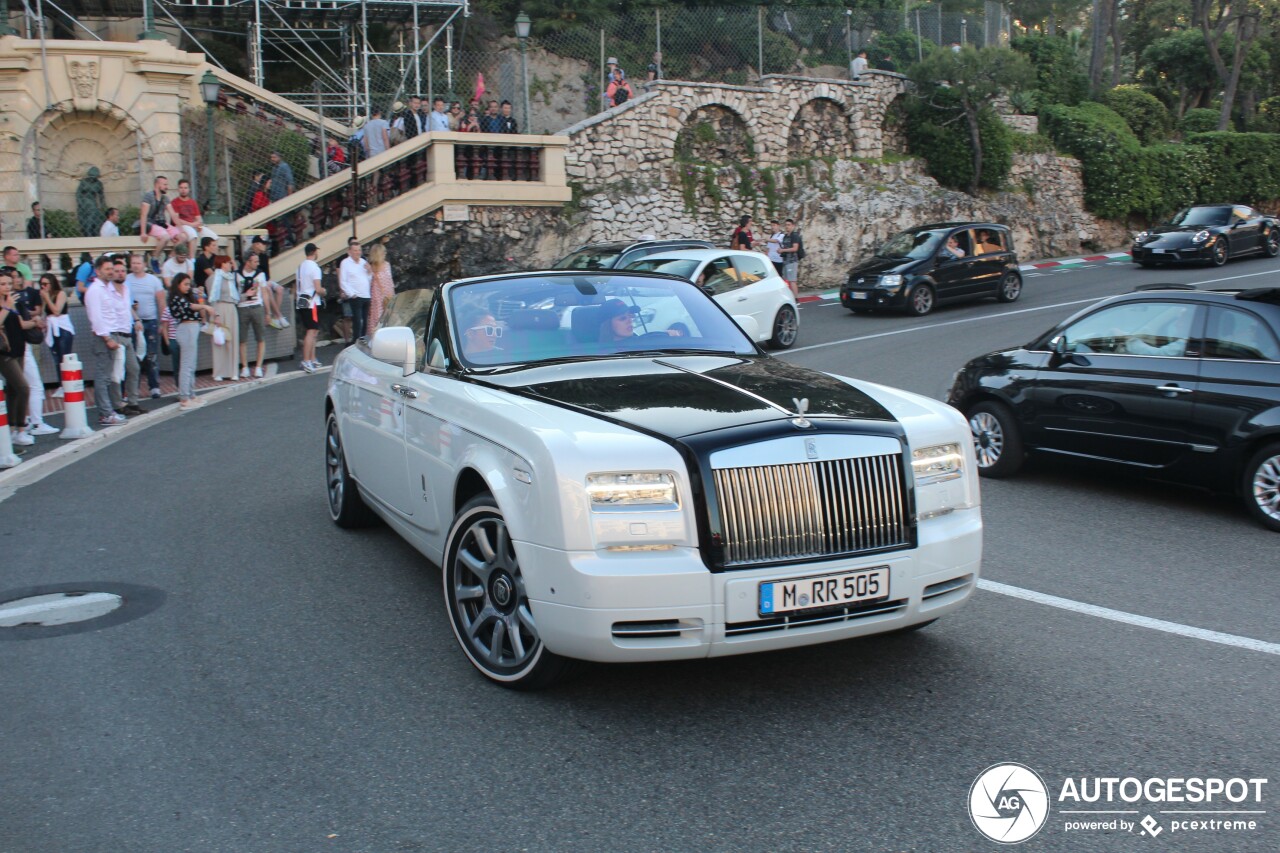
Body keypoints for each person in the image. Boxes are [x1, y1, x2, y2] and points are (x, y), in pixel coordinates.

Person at [83, 255, 139, 425]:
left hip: (113, 334)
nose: (110, 272)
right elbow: (96, 318)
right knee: (103, 377)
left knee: (110, 376)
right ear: (98, 271)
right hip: (104, 338)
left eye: (111, 269)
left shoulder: (106, 289)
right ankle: (106, 413)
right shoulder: (95, 290)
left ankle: (109, 411)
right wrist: (107, 338)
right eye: (107, 269)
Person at [166, 272, 216, 409]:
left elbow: (197, 303)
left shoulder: (185, 296)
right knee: (187, 364)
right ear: (178, 284)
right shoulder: (176, 298)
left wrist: (200, 299)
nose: (188, 287)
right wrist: (205, 307)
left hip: (192, 327)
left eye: (189, 284)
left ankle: (190, 393)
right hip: (186, 328)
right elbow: (190, 307)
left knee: (191, 364)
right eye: (185, 284)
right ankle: (184, 397)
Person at [0, 270, 37, 445]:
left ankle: (12, 428)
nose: (7, 287)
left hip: (19, 347)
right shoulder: (7, 303)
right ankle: (20, 428)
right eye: (2, 284)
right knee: (23, 388)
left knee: (14, 390)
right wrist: (7, 307)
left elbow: (20, 323)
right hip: (4, 352)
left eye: (8, 283)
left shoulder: (14, 299)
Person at [125, 253, 165, 399]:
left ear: (144, 265)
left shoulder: (153, 280)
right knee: (132, 357)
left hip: (151, 321)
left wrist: (162, 323)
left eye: (138, 263)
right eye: (133, 263)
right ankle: (133, 389)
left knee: (151, 355)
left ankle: (154, 386)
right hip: (133, 322)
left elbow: (161, 301)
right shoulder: (126, 280)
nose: (135, 265)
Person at [39, 273, 75, 400]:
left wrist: (47, 298)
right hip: (51, 328)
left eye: (45, 284)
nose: (43, 287)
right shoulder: (45, 295)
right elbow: (44, 312)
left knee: (63, 357)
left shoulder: (60, 294)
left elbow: (56, 310)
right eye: (41, 284)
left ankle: (67, 384)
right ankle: (62, 385)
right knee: (56, 358)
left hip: (62, 328)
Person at [206, 254, 240, 382]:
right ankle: (219, 371)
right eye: (228, 263)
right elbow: (212, 297)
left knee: (232, 340)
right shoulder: (213, 278)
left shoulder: (231, 278)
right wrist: (216, 315)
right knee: (219, 340)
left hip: (231, 309)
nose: (231, 265)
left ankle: (233, 371)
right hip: (219, 308)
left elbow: (237, 294)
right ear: (222, 264)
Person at [140, 176, 182, 272]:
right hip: (151, 223)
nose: (167, 187)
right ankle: (154, 258)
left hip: (162, 224)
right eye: (164, 184)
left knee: (182, 237)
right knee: (166, 237)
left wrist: (181, 230)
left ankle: (169, 259)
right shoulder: (149, 196)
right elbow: (143, 215)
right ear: (157, 185)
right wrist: (143, 232)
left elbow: (173, 214)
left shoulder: (165, 198)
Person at [236, 253, 268, 379]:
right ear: (248, 262)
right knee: (242, 339)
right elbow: (234, 293)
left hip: (257, 306)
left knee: (260, 337)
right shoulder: (237, 275)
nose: (257, 263)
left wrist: (268, 311)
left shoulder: (260, 274)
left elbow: (264, 292)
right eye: (255, 261)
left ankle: (258, 367)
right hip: (242, 307)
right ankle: (244, 367)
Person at [296, 243, 325, 373]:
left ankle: (312, 358)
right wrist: (324, 291)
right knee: (312, 331)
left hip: (302, 299)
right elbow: (318, 289)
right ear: (314, 252)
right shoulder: (315, 268)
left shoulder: (300, 266)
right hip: (312, 301)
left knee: (311, 331)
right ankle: (307, 360)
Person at [170, 178, 219, 256]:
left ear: (189, 189)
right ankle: (192, 260)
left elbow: (199, 219)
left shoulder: (193, 202)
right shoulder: (174, 202)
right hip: (183, 226)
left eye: (185, 188)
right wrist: (192, 224)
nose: (183, 190)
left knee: (214, 237)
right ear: (178, 189)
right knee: (193, 235)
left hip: (195, 225)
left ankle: (212, 260)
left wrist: (198, 225)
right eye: (181, 188)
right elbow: (176, 219)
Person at [339, 238, 372, 344]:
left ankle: (362, 342)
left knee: (365, 322)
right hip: (356, 296)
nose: (358, 252)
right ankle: (355, 343)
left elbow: (369, 279)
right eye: (355, 250)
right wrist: (351, 294)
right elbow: (343, 281)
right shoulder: (345, 263)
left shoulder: (363, 262)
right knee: (357, 322)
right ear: (350, 251)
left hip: (366, 295)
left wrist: (369, 271)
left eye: (359, 250)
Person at [367, 243, 396, 331]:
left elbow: (390, 280)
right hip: (377, 296)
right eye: (383, 252)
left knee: (389, 316)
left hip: (388, 294)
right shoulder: (372, 267)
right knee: (377, 316)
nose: (385, 253)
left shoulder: (387, 264)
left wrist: (393, 294)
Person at [779, 219, 805, 296]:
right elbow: (786, 247)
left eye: (789, 225)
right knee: (786, 280)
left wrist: (783, 250)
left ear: (793, 226)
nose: (787, 226)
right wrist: (781, 251)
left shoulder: (795, 236)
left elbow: (795, 248)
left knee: (792, 281)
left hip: (792, 261)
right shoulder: (785, 236)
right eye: (786, 225)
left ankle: (796, 299)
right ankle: (790, 296)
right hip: (786, 261)